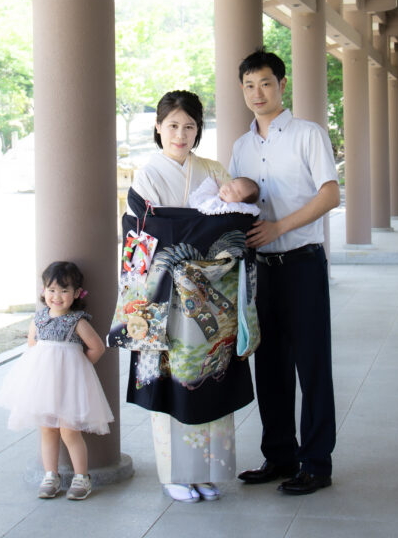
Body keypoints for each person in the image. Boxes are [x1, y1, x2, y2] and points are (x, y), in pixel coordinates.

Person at [120, 90, 256, 503]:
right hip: (167, 298)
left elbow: (234, 220)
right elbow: (145, 235)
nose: (180, 134)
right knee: (173, 382)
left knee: (212, 378)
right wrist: (196, 231)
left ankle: (208, 472)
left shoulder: (213, 169)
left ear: (199, 131)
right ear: (158, 127)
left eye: (190, 126)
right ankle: (175, 474)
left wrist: (195, 231)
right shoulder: (146, 176)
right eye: (173, 125)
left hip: (211, 293)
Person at [229, 48, 340, 495]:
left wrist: (279, 227)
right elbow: (235, 206)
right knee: (270, 366)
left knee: (312, 366)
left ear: (282, 84)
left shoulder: (308, 134)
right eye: (249, 85)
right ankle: (279, 456)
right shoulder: (240, 147)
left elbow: (330, 194)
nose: (257, 93)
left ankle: (316, 463)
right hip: (262, 272)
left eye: (265, 83)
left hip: (302, 264)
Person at [0, 261, 114, 501]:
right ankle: (51, 475)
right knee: (48, 430)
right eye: (51, 290)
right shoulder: (39, 319)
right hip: (44, 386)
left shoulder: (77, 321)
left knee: (70, 432)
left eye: (64, 290)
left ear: (77, 293)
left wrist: (78, 369)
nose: (57, 296)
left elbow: (97, 347)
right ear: (43, 291)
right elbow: (32, 346)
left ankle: (81, 477)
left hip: (69, 386)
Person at [189, 175, 260, 216]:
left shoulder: (228, 209)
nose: (229, 189)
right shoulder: (213, 193)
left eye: (235, 192)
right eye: (231, 183)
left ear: (241, 203)